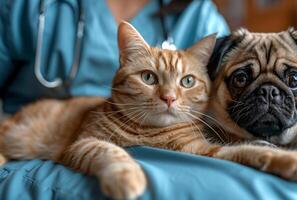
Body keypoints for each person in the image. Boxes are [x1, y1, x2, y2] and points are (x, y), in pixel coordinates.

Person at [0, 0, 232, 199]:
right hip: (37, 158)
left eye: (186, 82)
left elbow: (230, 96)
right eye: (149, 76)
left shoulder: (199, 14)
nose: (169, 95)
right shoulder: (24, 6)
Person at [0, 0, 229, 114]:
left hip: (157, 156)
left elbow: (234, 104)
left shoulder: (199, 16)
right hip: (36, 153)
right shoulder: (24, 6)